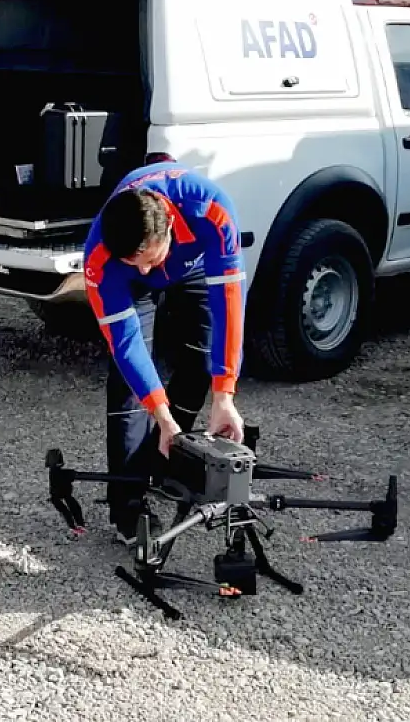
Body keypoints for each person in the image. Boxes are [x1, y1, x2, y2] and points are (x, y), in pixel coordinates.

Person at [82, 161, 247, 540]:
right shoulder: (101, 258)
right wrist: (160, 412)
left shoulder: (211, 210)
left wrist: (226, 394)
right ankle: (127, 506)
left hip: (193, 263)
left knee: (201, 360)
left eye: (150, 261)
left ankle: (171, 458)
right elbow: (127, 346)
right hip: (126, 282)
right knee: (128, 389)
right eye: (135, 264)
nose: (146, 272)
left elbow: (230, 304)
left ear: (170, 224)